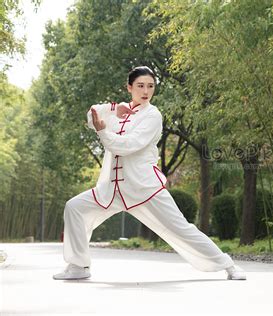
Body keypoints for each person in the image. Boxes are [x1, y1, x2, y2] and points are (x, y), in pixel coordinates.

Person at [53, 66, 246, 281]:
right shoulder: (120, 113)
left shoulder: (153, 115)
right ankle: (78, 266)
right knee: (74, 208)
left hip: (144, 188)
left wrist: (103, 132)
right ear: (129, 87)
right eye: (140, 86)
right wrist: (114, 107)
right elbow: (92, 116)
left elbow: (128, 145)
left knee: (181, 228)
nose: (146, 91)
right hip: (112, 189)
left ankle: (228, 264)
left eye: (151, 86)